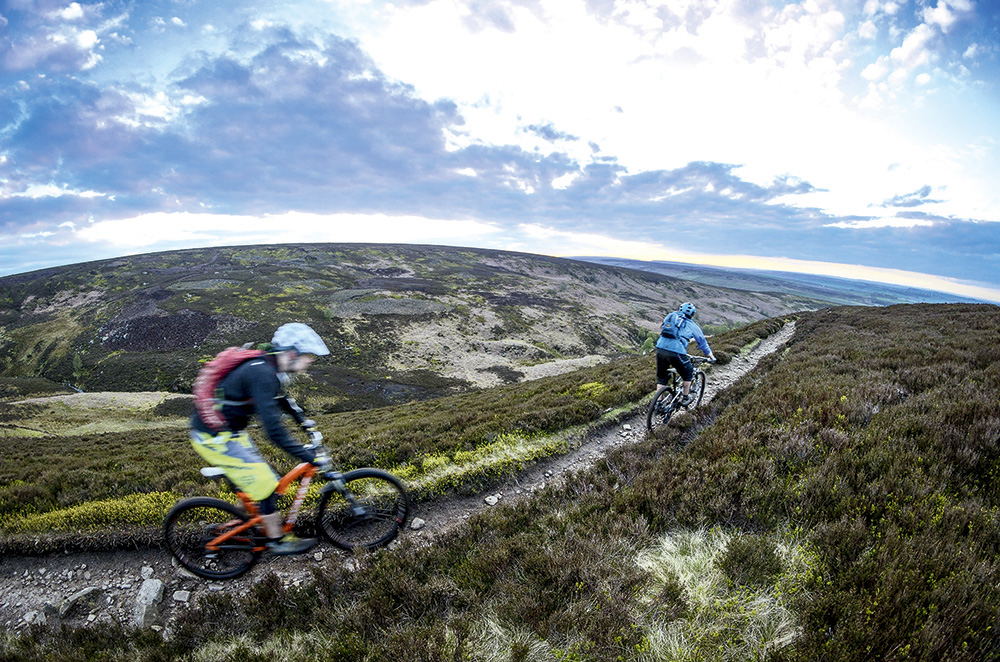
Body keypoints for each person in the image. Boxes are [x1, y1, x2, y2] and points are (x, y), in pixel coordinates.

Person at [189, 322, 333, 555]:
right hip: (213, 437)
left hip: (230, 433)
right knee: (265, 484)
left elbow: (282, 401)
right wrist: (306, 455)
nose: (310, 362)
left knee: (264, 479)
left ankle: (241, 521)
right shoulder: (263, 373)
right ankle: (278, 540)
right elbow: (274, 432)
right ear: (292, 353)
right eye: (308, 356)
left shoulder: (270, 369)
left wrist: (306, 424)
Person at [654, 302, 716, 406]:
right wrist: (711, 356)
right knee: (688, 373)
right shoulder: (692, 325)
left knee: (662, 377)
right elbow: (703, 343)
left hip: (660, 348)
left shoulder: (671, 316)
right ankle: (685, 397)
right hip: (677, 351)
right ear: (692, 314)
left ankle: (658, 403)